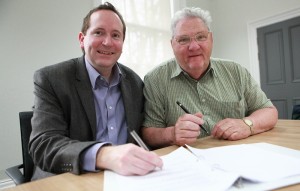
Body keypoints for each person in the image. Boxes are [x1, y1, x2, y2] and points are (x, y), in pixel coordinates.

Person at [29, 2, 162, 180]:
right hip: (67, 178)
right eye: (98, 32)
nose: (107, 42)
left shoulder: (135, 82)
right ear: (82, 39)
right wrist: (103, 155)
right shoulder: (51, 79)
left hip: (123, 179)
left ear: (122, 43)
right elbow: (43, 145)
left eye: (116, 35)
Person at [141, 7, 278, 149]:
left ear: (211, 39)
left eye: (201, 37)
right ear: (172, 44)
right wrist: (172, 133)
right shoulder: (155, 79)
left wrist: (247, 124)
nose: (194, 46)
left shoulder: (236, 71)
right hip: (188, 161)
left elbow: (268, 111)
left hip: (238, 154)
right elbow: (148, 133)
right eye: (183, 40)